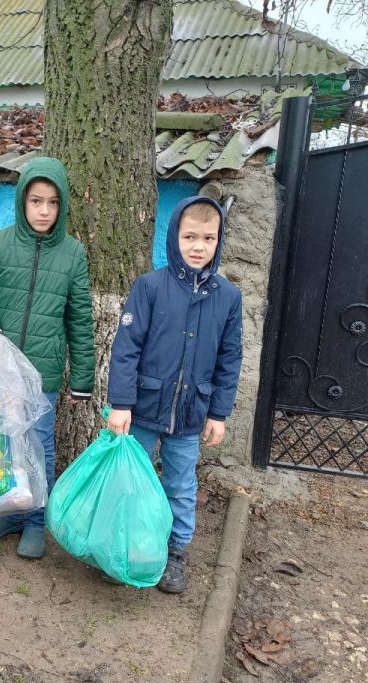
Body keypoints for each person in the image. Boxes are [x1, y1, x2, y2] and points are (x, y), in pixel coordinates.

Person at [106, 196, 243, 594]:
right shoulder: (150, 287)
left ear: (219, 241)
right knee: (132, 479)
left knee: (181, 485)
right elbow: (126, 347)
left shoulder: (228, 297)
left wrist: (218, 413)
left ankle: (175, 551)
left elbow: (229, 358)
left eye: (208, 238)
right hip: (144, 408)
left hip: (190, 414)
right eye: (189, 237)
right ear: (174, 237)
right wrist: (121, 403)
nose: (198, 246)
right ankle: (127, 544)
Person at [0, 157, 95, 559]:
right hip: (1, 372)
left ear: (63, 206)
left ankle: (36, 521)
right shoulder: (0, 243)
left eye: (52, 203)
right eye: (35, 201)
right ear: (22, 201)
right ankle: (10, 513)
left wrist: (83, 379)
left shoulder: (72, 254)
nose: (43, 211)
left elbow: (80, 318)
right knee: (3, 443)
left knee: (38, 446)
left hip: (44, 373)